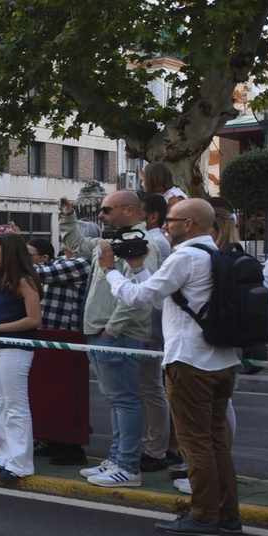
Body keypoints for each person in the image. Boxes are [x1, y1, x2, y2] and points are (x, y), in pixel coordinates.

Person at [98, 198, 242, 536]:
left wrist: (110, 270)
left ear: (189, 224)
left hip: (189, 362)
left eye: (172, 219)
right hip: (221, 360)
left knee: (195, 443)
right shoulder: (215, 255)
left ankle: (204, 515)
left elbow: (138, 298)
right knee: (216, 442)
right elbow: (168, 300)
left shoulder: (185, 256)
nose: (165, 224)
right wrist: (137, 267)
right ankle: (227, 513)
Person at [60, 191, 162, 486]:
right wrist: (68, 216)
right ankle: (118, 458)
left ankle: (128, 465)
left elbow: (136, 294)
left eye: (106, 209)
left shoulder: (141, 244)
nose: (101, 215)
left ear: (129, 210)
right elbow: (77, 244)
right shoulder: (112, 241)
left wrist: (111, 330)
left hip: (117, 335)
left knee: (125, 401)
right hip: (102, 332)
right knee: (117, 401)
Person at [0, 233, 43, 485]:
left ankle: (21, 463)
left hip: (16, 348)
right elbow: (2, 314)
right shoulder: (1, 279)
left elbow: (34, 319)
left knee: (16, 405)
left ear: (9, 252)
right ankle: (5, 456)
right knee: (2, 403)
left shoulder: (24, 280)